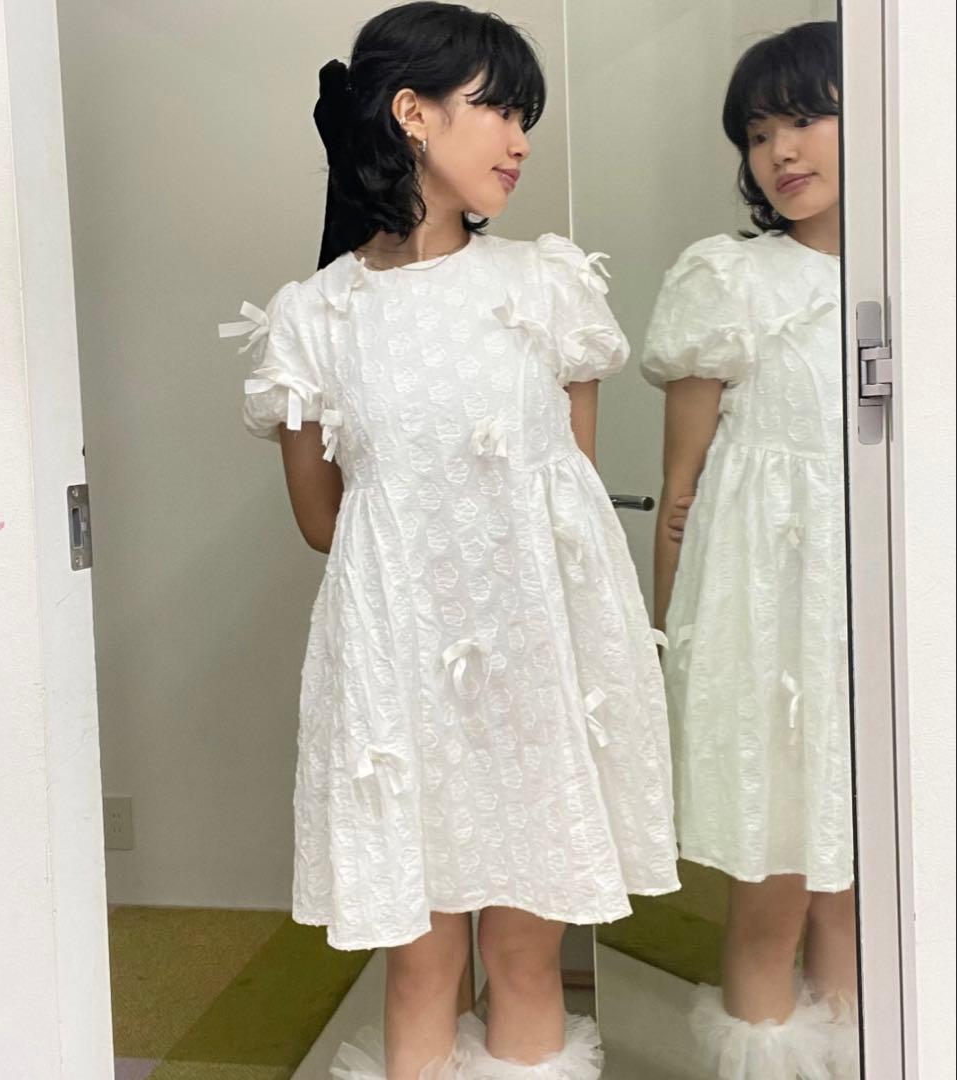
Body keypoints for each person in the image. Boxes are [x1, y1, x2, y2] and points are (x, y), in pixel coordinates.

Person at [219, 4, 677, 1076]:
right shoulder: (314, 317)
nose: (520, 141)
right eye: (499, 111)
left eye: (527, 117)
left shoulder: (546, 285)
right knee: (420, 967)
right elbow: (324, 522)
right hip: (401, 685)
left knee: (524, 959)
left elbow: (567, 504)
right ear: (412, 113)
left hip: (533, 672)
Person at [642, 21, 858, 1080]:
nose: (779, 151)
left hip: (875, 622)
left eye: (804, 118)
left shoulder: (917, 270)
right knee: (773, 888)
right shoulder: (727, 278)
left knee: (863, 892)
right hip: (763, 630)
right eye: (758, 132)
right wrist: (668, 645)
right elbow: (679, 491)